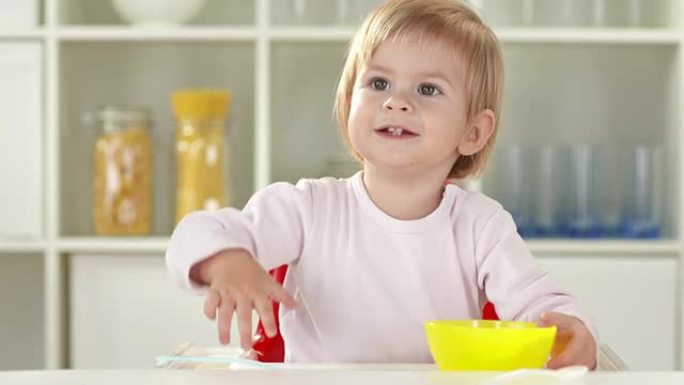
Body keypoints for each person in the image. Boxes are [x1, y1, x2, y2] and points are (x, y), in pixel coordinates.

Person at [166, 0, 598, 369]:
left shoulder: (480, 225)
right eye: (378, 83)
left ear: (473, 131)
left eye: (428, 89)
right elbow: (194, 234)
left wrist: (570, 328)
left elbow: (538, 302)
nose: (396, 100)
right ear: (348, 103)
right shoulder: (308, 208)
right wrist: (225, 260)